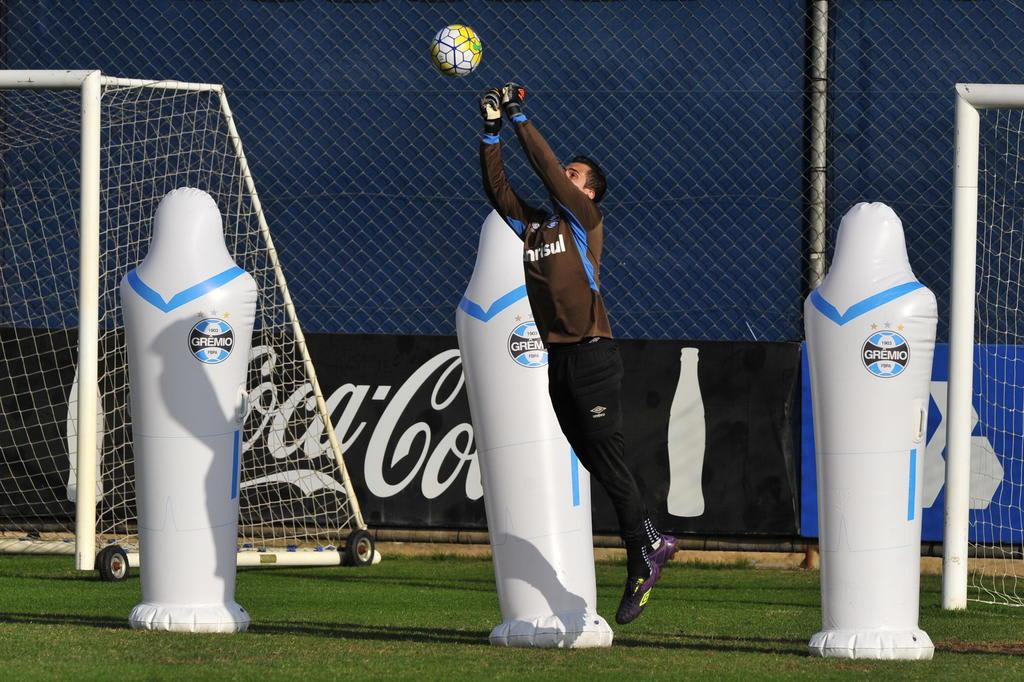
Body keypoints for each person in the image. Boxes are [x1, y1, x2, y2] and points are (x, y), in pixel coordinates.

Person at [477, 83, 678, 625]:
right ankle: (653, 538)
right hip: (558, 361)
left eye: (574, 174)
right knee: (595, 460)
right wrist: (491, 131)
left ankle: (645, 553)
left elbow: (542, 168)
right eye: (565, 170)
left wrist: (520, 116)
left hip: (592, 356)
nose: (564, 174)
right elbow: (500, 192)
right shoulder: (536, 225)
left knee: (607, 460)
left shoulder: (584, 222)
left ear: (588, 194)